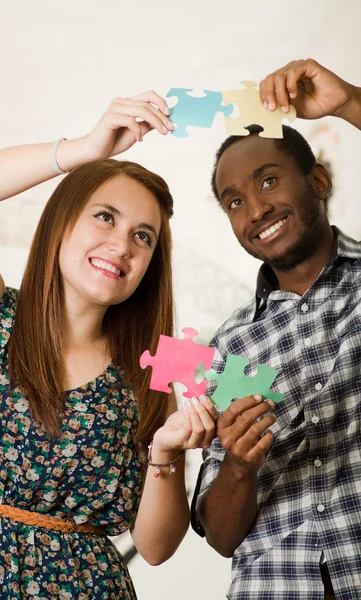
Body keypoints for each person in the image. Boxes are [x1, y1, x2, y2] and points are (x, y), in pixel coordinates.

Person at [0, 92, 218, 599]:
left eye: (143, 237)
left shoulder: (157, 369)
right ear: (63, 222)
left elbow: (154, 548)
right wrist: (83, 149)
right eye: (105, 217)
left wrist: (164, 455)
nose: (122, 244)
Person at [191, 59, 361, 600]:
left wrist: (349, 103)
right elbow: (220, 537)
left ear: (318, 180)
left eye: (268, 180)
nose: (256, 208)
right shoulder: (232, 348)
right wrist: (239, 466)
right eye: (234, 201)